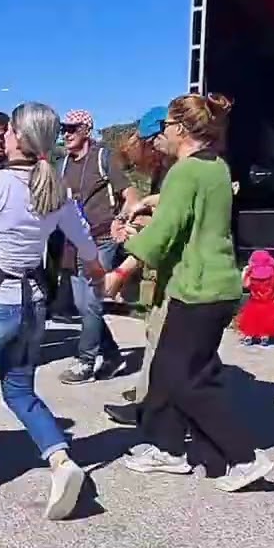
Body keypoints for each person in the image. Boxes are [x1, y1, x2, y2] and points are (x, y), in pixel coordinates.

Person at [102, 93, 274, 492]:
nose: (160, 133)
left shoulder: (183, 172)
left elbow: (165, 231)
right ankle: (170, 449)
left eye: (164, 126)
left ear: (180, 128)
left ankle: (243, 455)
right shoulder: (214, 166)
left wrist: (123, 268)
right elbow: (186, 205)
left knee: (185, 378)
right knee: (170, 369)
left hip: (198, 287)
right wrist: (150, 201)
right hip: (216, 284)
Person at [0, 102, 102, 520]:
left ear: (20, 138)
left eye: (9, 131)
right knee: (21, 391)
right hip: (34, 304)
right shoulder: (56, 189)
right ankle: (62, 460)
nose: (3, 137)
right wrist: (101, 269)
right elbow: (83, 243)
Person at [55, 108, 140, 384]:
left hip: (102, 240)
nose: (66, 134)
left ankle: (85, 360)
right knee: (83, 305)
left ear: (86, 131)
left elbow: (131, 196)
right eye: (63, 129)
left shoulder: (104, 158)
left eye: (72, 129)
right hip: (74, 244)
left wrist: (121, 220)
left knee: (91, 302)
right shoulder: (62, 165)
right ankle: (112, 354)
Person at [104, 106, 176, 424]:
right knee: (157, 336)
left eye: (151, 141)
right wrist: (131, 217)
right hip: (163, 269)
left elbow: (169, 224)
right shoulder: (170, 171)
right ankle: (148, 396)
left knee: (165, 340)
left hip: (176, 270)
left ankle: (152, 408)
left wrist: (123, 270)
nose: (152, 149)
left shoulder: (181, 173)